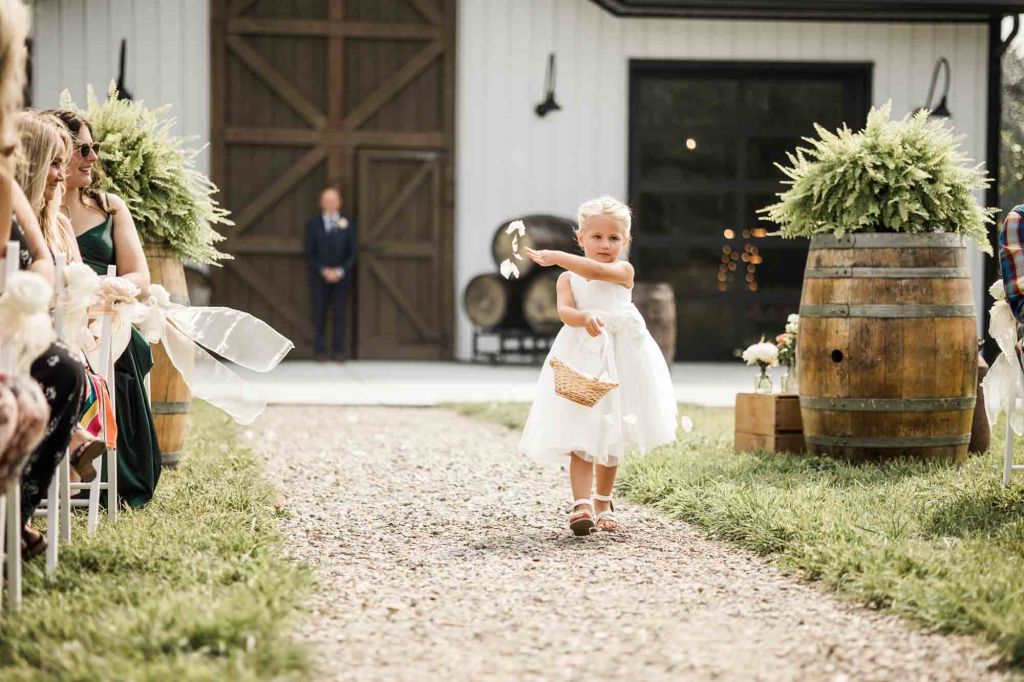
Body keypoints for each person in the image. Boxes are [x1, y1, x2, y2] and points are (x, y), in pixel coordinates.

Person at [519, 196, 677, 535]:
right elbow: (565, 312)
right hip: (583, 355)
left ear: (626, 241)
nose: (605, 245)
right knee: (582, 428)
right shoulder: (566, 280)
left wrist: (557, 257)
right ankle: (582, 504)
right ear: (581, 238)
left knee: (612, 428)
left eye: (614, 238)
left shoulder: (622, 271)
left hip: (621, 356)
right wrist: (583, 316)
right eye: (596, 237)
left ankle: (604, 500)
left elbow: (597, 271)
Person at [48, 108, 162, 509]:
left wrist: (106, 290)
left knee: (122, 346)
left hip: (107, 310)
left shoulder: (110, 206)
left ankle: (119, 473)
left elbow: (140, 276)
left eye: (94, 148)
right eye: (83, 149)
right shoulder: (41, 213)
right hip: (56, 312)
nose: (93, 157)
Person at [13, 111, 107, 483]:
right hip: (23, 337)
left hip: (47, 332)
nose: (61, 173)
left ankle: (61, 457)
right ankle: (70, 445)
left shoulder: (51, 222)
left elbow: (62, 274)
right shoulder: (13, 221)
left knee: (74, 364)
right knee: (67, 367)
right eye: (54, 163)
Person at [304, 186, 357, 362]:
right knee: (320, 313)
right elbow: (310, 253)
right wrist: (323, 270)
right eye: (327, 201)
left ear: (339, 203)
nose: (330, 204)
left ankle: (339, 350)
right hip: (320, 277)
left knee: (340, 314)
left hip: (342, 278)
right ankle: (320, 350)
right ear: (322, 203)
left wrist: (340, 271)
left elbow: (353, 253)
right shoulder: (313, 225)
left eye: (333, 201)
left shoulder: (348, 225)